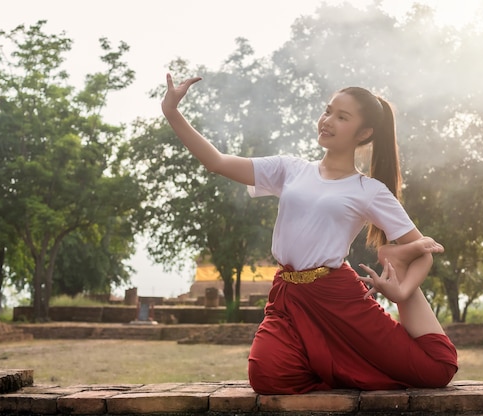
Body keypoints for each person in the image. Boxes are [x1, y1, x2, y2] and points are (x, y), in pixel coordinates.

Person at [161, 74, 458, 395]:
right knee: (266, 376)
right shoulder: (290, 169)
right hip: (288, 294)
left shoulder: (369, 190)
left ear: (365, 133)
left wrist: (402, 292)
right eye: (327, 111)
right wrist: (172, 113)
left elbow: (421, 250)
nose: (327, 121)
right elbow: (216, 162)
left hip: (338, 296)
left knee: (435, 370)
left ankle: (392, 264)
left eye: (342, 117)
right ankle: (334, 366)